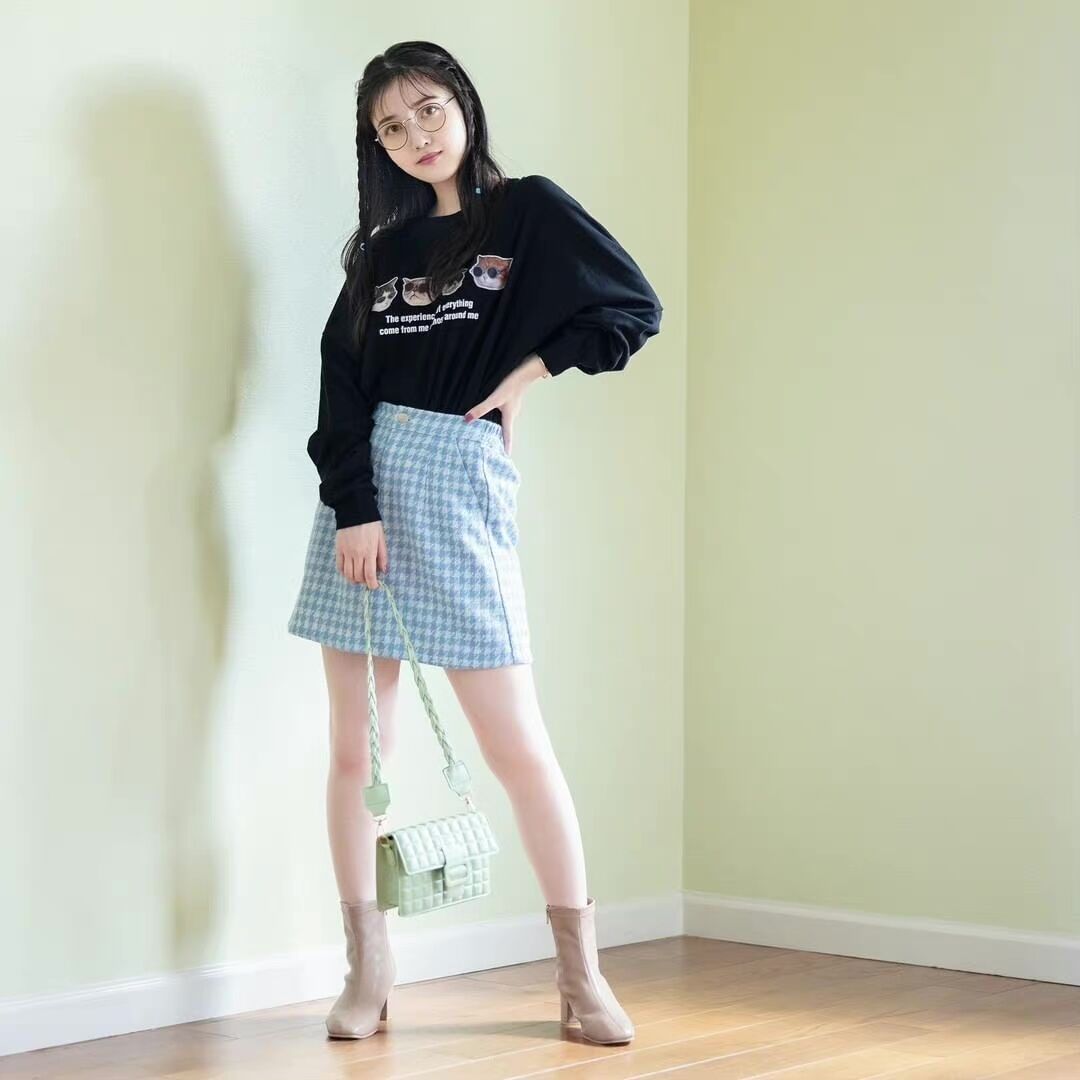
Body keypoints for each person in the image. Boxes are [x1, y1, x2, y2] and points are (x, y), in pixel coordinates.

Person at [286, 40, 663, 1046]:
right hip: (366, 490)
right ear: (376, 146)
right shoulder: (379, 254)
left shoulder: (526, 213)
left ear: (462, 101)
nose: (415, 135)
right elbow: (339, 386)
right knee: (357, 749)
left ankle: (581, 975)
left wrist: (524, 377)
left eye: (427, 109)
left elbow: (630, 309)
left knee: (517, 746)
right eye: (390, 127)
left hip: (458, 479)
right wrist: (354, 508)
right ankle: (368, 967)